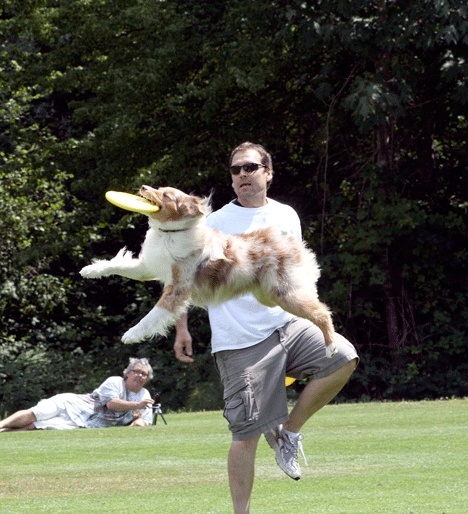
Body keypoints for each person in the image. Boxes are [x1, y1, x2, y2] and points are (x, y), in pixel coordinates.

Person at [174, 142, 359, 514]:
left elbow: (296, 269)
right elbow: (181, 272)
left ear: (267, 173)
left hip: (287, 325)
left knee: (342, 355)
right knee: (246, 435)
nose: (242, 174)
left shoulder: (287, 216)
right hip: (240, 341)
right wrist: (181, 326)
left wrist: (309, 309)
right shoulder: (214, 222)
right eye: (236, 169)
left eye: (250, 167)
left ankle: (288, 432)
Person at [0, 357, 155, 432]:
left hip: (84, 423)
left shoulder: (144, 395)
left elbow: (144, 420)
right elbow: (112, 404)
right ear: (127, 373)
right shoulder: (115, 382)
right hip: (71, 404)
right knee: (36, 414)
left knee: (34, 426)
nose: (140, 376)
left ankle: (4, 433)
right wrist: (137, 406)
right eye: (137, 372)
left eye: (144, 374)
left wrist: (136, 425)